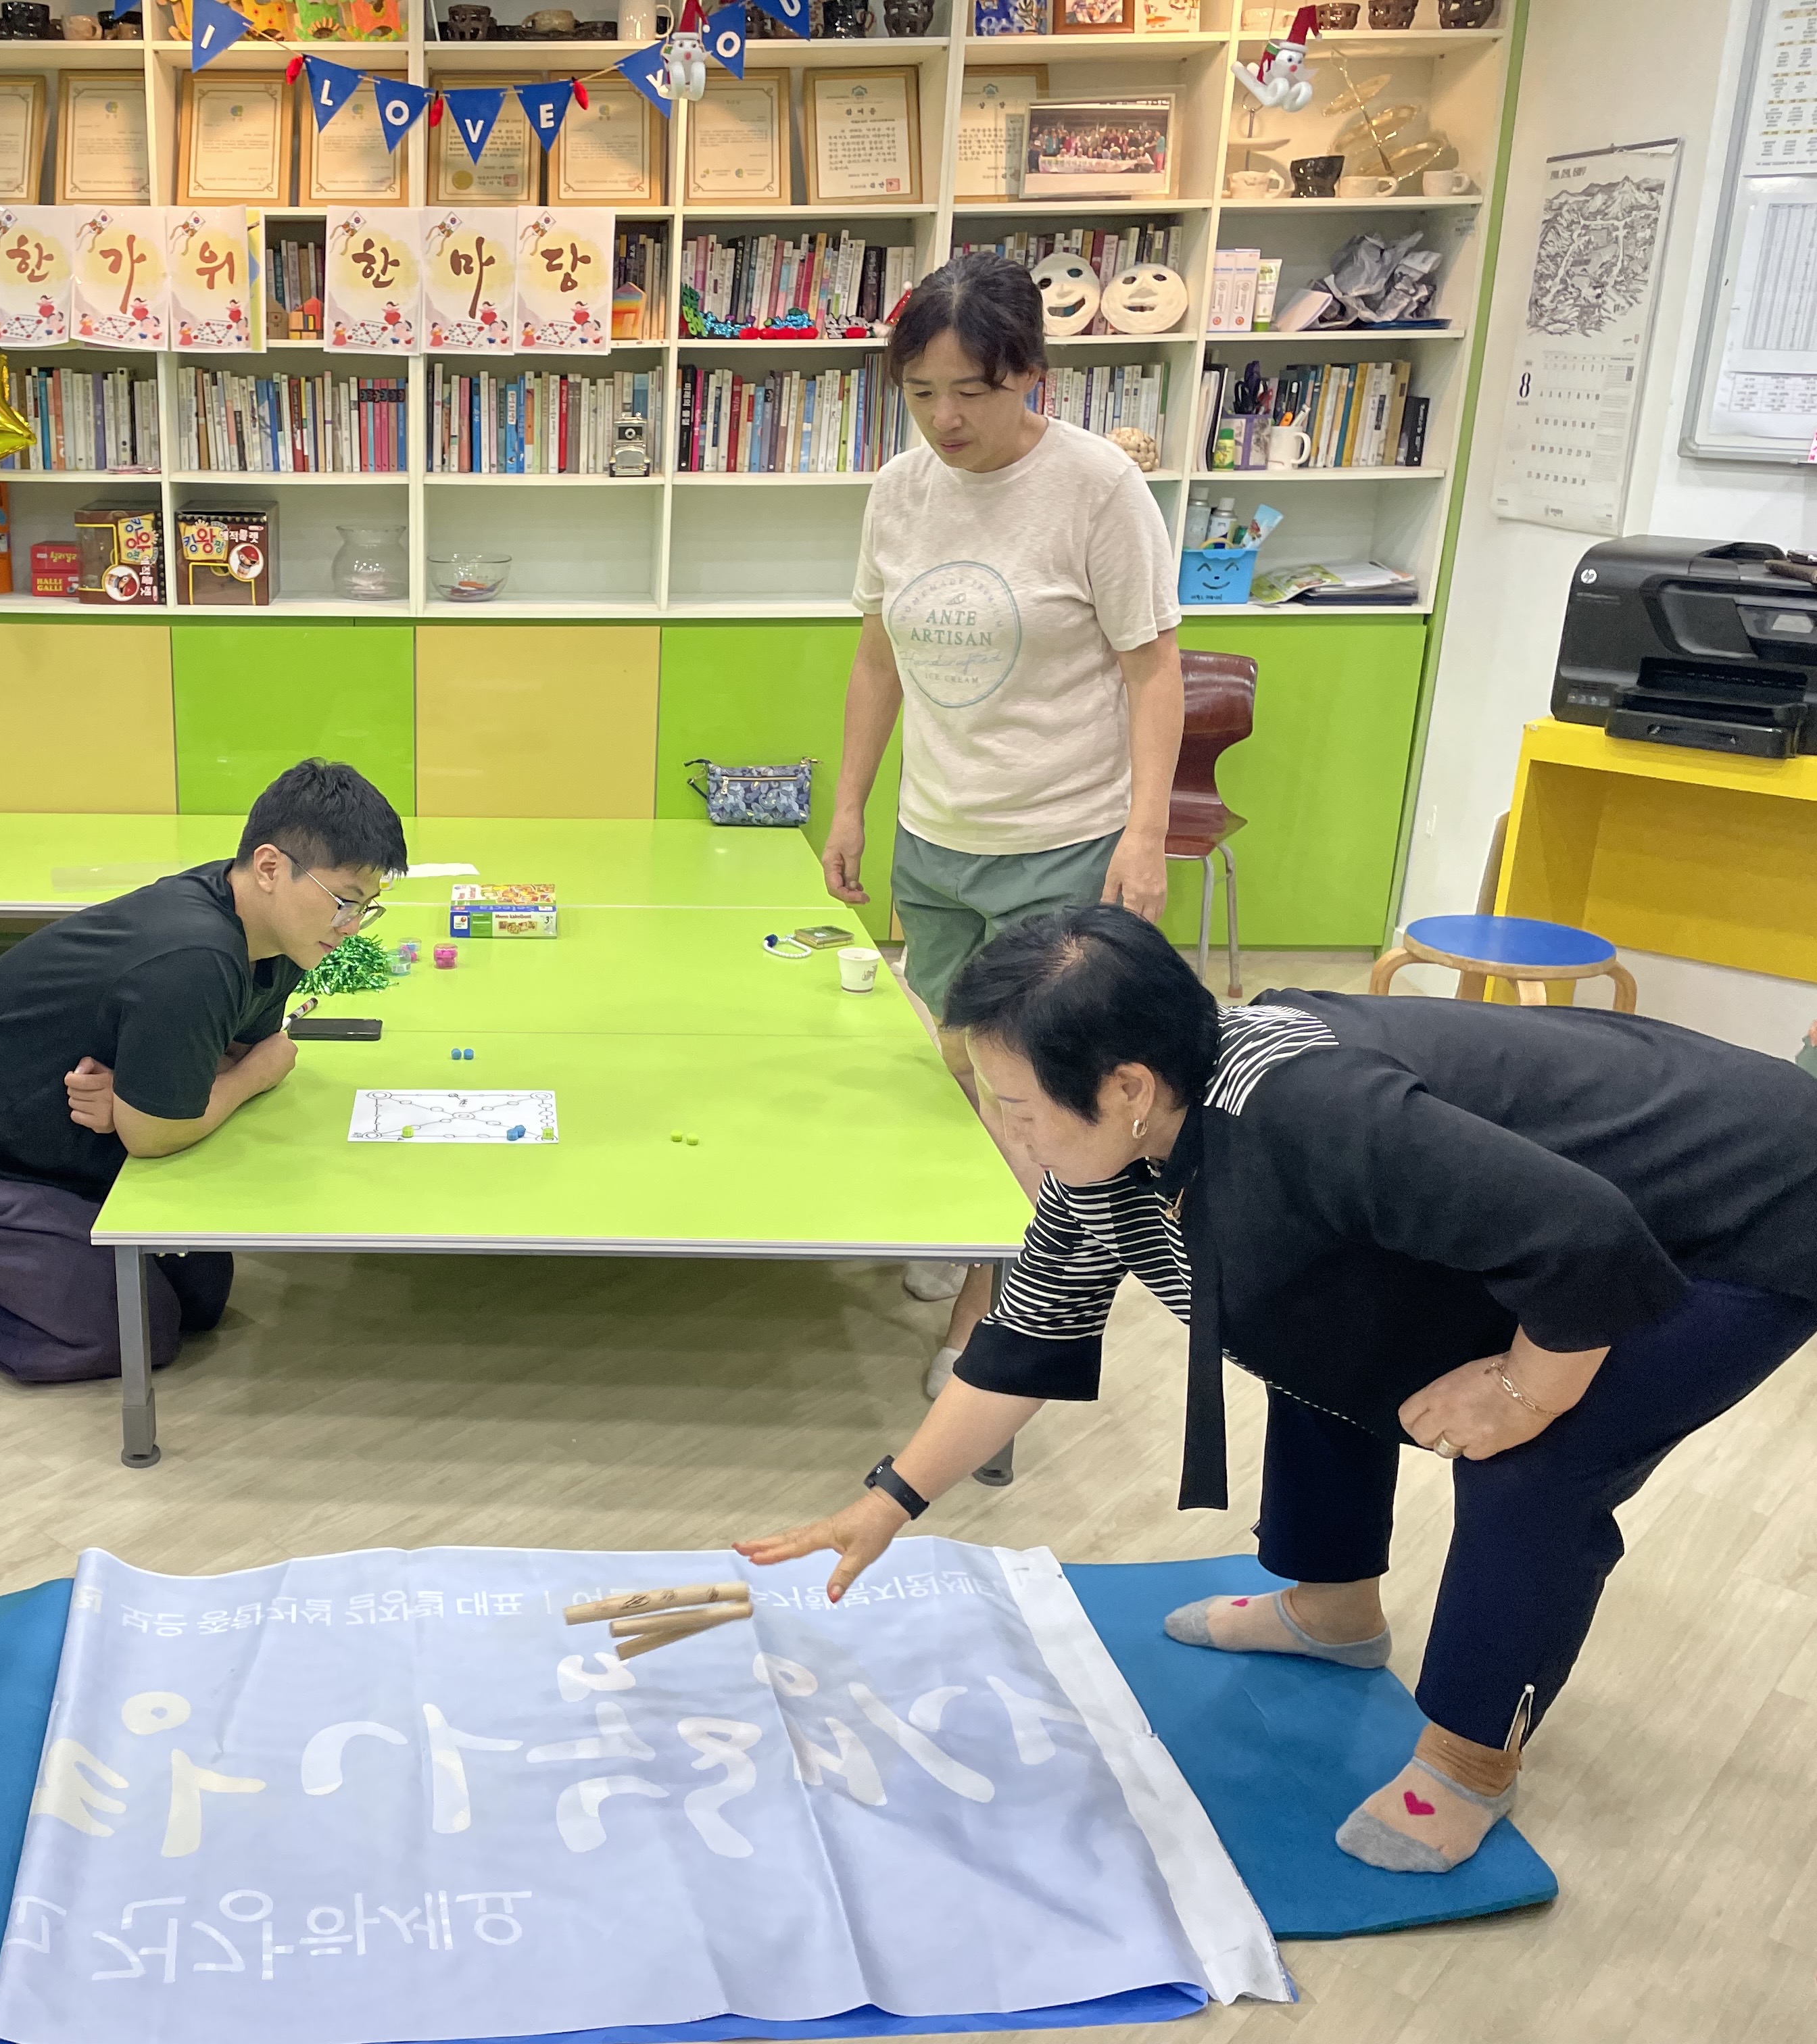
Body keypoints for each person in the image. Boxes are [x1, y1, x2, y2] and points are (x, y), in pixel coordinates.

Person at [740, 904, 1817, 1876]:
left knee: (1536, 1465)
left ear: (1126, 1088)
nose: (1005, 1132)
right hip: (1571, 1203)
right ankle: (1333, 1607)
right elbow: (1026, 1338)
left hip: (1742, 1201)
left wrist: (1520, 1391)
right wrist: (889, 1501)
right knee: (1310, 1322)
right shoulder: (1110, 1160)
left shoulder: (1301, 1109)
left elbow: (1585, 1239)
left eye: (1018, 1109)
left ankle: (1471, 1759)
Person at [819, 251, 1183, 1390]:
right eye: (920, 391)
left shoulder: (1096, 487)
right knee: (947, 1059)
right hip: (938, 836)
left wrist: (1143, 834)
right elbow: (877, 660)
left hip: (1061, 837)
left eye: (970, 390)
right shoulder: (900, 489)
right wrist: (850, 804)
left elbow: (1154, 669)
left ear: (1030, 373)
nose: (945, 419)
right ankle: (971, 1222)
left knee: (1028, 1091)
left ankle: (994, 1318)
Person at [0, 760, 406, 1382]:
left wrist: (140, 1091)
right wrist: (253, 1075)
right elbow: (160, 1130)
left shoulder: (275, 934)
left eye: (366, 908)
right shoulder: (195, 955)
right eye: (344, 902)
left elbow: (221, 1056)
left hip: (47, 1148)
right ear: (271, 868)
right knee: (133, 1335)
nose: (350, 927)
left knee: (201, 1294)